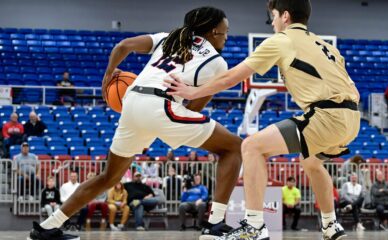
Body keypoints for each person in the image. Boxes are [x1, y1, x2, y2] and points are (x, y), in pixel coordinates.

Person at [29, 6, 243, 240]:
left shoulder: (167, 38)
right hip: (161, 105)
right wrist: (170, 131)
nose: (227, 36)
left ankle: (47, 227)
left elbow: (124, 46)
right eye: (225, 32)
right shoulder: (217, 62)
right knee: (233, 148)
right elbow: (194, 107)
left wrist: (108, 75)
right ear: (214, 31)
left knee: (108, 177)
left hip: (132, 101)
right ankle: (214, 224)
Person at [165, 1, 360, 239]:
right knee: (311, 162)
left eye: (274, 17)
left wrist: (192, 92)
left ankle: (255, 226)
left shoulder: (282, 40)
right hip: (352, 118)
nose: (273, 23)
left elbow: (232, 76)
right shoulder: (325, 45)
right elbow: (349, 88)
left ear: (285, 16)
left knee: (251, 146)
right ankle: (331, 226)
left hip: (326, 116)